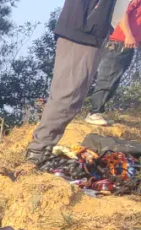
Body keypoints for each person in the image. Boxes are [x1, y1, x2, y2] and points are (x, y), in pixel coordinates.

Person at [27, 0, 120, 163]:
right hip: (82, 31)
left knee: (72, 96)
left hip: (90, 32)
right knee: (68, 95)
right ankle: (38, 150)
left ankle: (42, 148)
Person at [85, 0, 141, 126]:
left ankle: (98, 112)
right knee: (108, 77)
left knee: (114, 79)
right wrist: (128, 35)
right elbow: (121, 14)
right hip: (118, 41)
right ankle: (94, 112)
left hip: (128, 44)